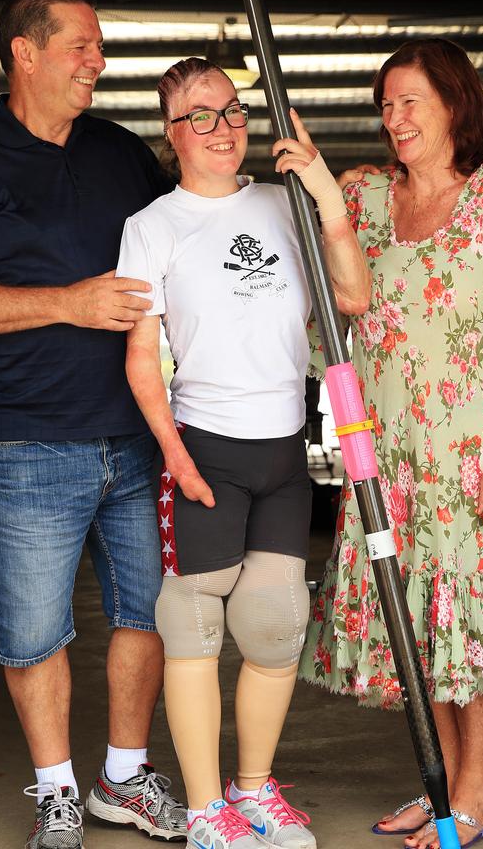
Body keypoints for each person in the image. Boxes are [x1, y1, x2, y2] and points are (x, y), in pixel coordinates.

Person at [296, 38, 483, 848]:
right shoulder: (368, 199)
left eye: (411, 100)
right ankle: (447, 786)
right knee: (420, 626)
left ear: (456, 103)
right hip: (391, 457)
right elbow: (336, 310)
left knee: (471, 620)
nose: (395, 118)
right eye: (386, 104)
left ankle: (478, 790)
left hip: (480, 451)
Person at [0, 0, 187, 848]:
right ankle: (56, 796)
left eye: (99, 46)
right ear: (24, 54)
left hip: (136, 435)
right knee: (35, 633)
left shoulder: (118, 152)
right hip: (28, 445)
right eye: (80, 46)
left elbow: (187, 230)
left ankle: (123, 778)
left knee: (147, 615)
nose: (98, 63)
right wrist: (67, 303)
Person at [116, 57, 370, 849]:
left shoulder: (283, 202)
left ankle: (253, 793)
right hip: (206, 446)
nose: (221, 128)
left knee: (274, 623)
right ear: (172, 131)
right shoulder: (152, 226)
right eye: (200, 115)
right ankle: (203, 813)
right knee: (193, 626)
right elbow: (139, 358)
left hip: (284, 446)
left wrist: (326, 194)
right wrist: (175, 455)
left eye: (231, 111)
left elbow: (354, 297)